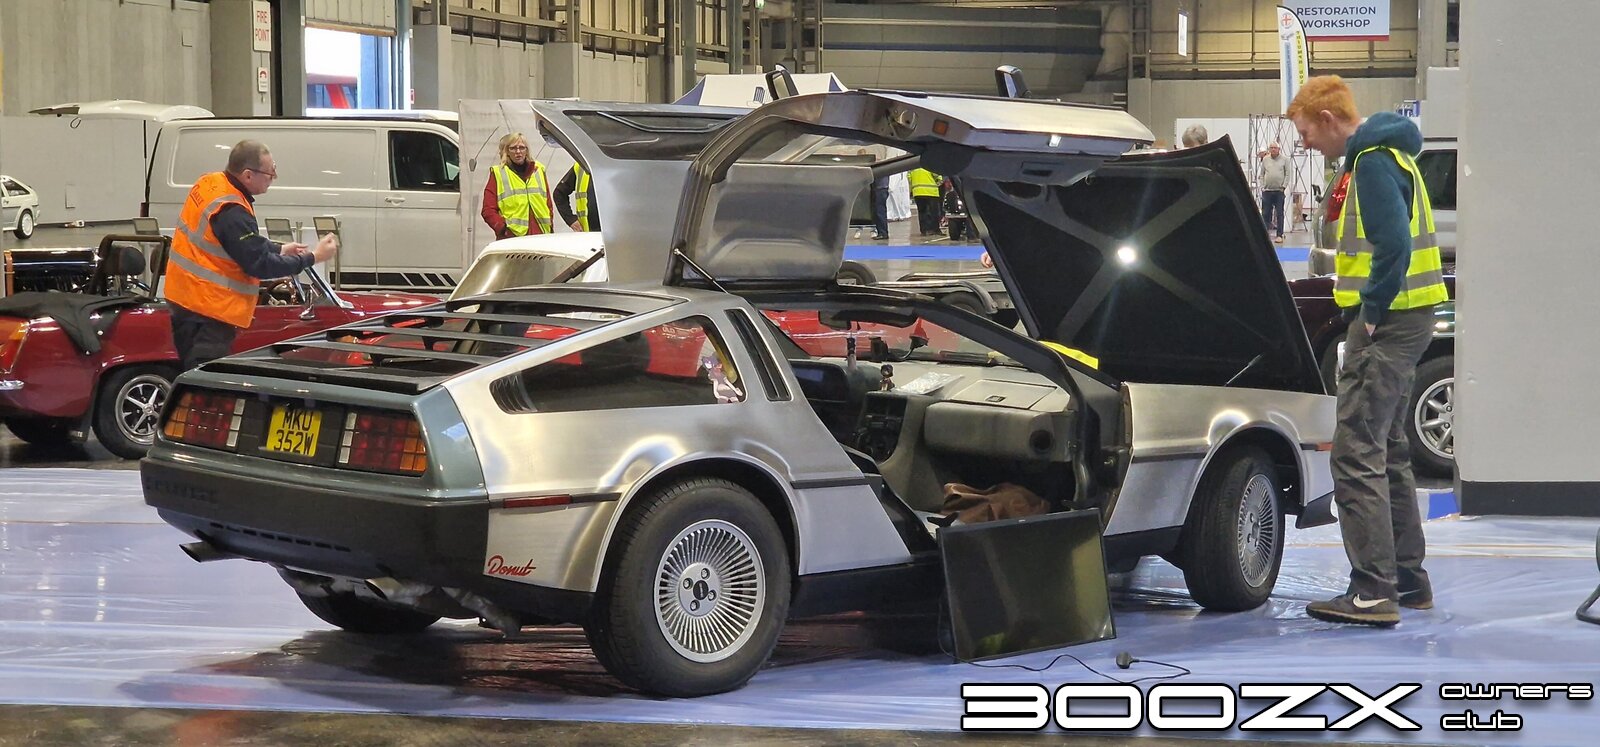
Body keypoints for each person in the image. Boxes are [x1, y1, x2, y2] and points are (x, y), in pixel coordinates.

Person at [1288, 75, 1447, 627]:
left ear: (1328, 119)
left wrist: (1372, 310)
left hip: (1389, 320)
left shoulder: (1373, 162)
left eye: (1306, 133)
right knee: (1388, 448)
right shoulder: (1390, 157)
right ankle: (1407, 580)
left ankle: (1373, 592)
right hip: (1411, 316)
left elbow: (1393, 244)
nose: (1306, 144)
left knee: (1355, 450)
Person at [166, 140, 339, 371]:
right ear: (248, 175)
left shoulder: (210, 183)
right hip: (208, 310)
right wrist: (314, 257)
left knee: (194, 374)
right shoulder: (231, 209)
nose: (274, 177)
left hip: (186, 298)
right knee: (205, 379)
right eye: (270, 173)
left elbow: (231, 243)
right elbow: (259, 264)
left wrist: (278, 249)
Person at [481, 132, 554, 240]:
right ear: (507, 151)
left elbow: (548, 204)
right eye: (513, 148)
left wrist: (550, 225)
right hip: (513, 237)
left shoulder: (539, 170)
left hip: (541, 234)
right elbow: (488, 210)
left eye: (522, 148)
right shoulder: (498, 173)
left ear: (527, 150)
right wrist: (503, 230)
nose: (518, 152)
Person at [1258, 141, 1292, 242]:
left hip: (1279, 191)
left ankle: (1279, 235)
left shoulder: (1285, 160)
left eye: (1275, 148)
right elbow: (1262, 174)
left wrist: (1284, 186)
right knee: (1266, 214)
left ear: (1278, 149)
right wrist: (1262, 186)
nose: (1273, 149)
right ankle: (1265, 235)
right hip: (1267, 191)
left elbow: (1287, 174)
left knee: (1279, 213)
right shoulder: (1265, 159)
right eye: (1271, 148)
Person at [554, 163, 599, 232]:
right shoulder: (581, 166)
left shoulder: (615, 165)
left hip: (614, 232)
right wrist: (570, 220)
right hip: (589, 233)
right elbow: (559, 193)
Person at [908, 168, 943, 236]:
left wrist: (912, 189)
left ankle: (924, 230)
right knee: (934, 212)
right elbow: (936, 174)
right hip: (931, 191)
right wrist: (939, 181)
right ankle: (934, 230)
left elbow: (909, 177)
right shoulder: (929, 163)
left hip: (917, 191)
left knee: (922, 212)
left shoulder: (912, 166)